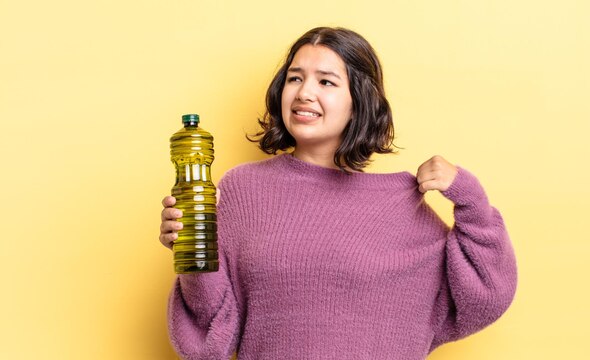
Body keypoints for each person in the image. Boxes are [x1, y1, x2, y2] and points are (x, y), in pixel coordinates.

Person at [159, 27, 517, 360]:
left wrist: (467, 195)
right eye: (295, 78)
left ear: (358, 100)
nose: (304, 93)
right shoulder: (242, 189)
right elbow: (211, 331)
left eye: (326, 81)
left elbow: (485, 294)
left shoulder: (401, 202)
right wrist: (191, 252)